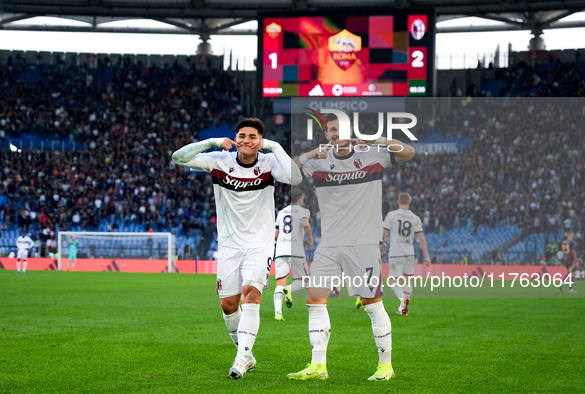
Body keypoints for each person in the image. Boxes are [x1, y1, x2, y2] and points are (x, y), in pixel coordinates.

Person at [288, 111, 415, 381]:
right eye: (331, 130)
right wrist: (311, 154)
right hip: (329, 244)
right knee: (314, 301)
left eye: (340, 129)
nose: (336, 134)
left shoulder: (372, 155)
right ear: (326, 135)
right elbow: (287, 173)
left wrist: (376, 139)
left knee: (371, 303)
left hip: (363, 243)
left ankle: (385, 365)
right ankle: (318, 365)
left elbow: (409, 152)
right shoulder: (319, 161)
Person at [172, 117, 301, 379]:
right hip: (229, 244)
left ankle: (241, 359)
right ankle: (247, 354)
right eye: (242, 135)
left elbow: (295, 176)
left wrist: (274, 147)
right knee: (228, 305)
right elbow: (178, 158)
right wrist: (210, 142)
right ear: (235, 138)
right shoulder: (219, 160)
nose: (246, 140)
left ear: (260, 140)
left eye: (253, 137)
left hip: (260, 243)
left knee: (250, 294)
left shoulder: (269, 163)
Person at [380, 192, 431, 316]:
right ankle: (403, 307)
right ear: (409, 202)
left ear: (398, 202)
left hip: (396, 253)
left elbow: (383, 233)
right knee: (408, 280)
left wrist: (383, 242)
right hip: (409, 253)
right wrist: (427, 257)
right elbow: (422, 239)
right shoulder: (415, 218)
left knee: (393, 280)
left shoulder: (391, 215)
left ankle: (403, 301)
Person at [273, 188, 313, 321]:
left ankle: (278, 313)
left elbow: (276, 234)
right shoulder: (303, 211)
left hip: (280, 251)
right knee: (304, 280)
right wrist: (310, 239)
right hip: (295, 251)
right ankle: (289, 289)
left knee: (280, 282)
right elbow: (305, 224)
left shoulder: (281, 212)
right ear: (300, 199)